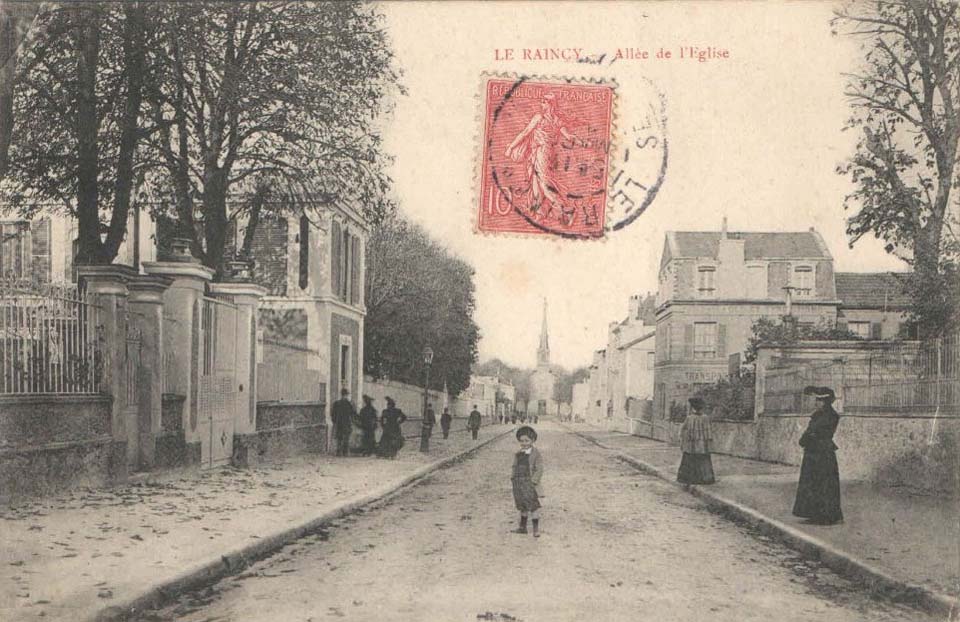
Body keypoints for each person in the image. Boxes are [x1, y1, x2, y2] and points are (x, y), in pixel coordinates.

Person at [792, 386, 844, 525]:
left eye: (819, 400)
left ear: (825, 401)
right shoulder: (818, 414)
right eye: (816, 400)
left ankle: (827, 515)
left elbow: (814, 431)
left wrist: (804, 440)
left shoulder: (830, 416)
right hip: (814, 451)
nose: (816, 403)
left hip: (822, 451)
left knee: (824, 482)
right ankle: (815, 513)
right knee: (812, 482)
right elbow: (811, 431)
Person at [511, 425, 544, 538]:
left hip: (529, 483)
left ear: (532, 440)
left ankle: (535, 530)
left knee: (533, 506)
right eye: (522, 441)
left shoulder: (535, 454)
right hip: (519, 483)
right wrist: (513, 478)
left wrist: (534, 482)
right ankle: (522, 527)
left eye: (527, 440)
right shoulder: (518, 453)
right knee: (522, 506)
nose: (524, 443)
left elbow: (539, 469)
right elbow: (514, 466)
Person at [676, 397, 716, 485]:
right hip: (702, 445)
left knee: (690, 459)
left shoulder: (689, 418)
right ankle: (705, 478)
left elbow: (683, 431)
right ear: (701, 408)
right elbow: (709, 433)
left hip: (691, 445)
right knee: (703, 459)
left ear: (693, 408)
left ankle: (690, 479)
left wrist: (684, 440)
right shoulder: (706, 418)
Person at [331, 388, 356, 457]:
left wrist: (335, 422)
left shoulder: (336, 403)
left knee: (339, 438)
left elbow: (333, 414)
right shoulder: (348, 403)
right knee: (346, 438)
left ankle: (338, 452)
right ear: (346, 395)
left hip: (339, 423)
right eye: (346, 395)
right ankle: (345, 452)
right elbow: (353, 413)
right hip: (346, 423)